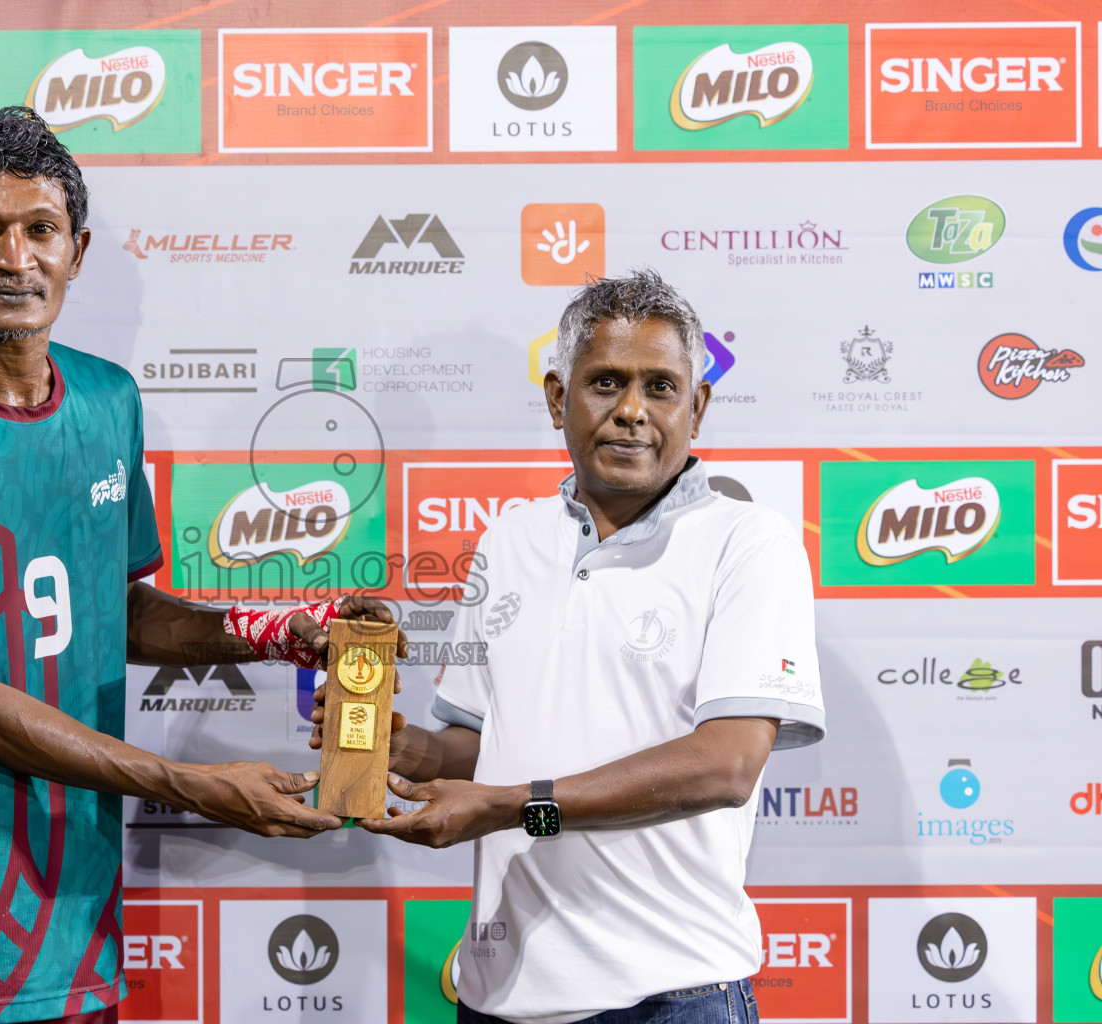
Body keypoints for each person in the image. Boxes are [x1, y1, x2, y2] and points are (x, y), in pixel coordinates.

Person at [0, 107, 396, 1024]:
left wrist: (276, 631)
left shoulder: (108, 398)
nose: (16, 259)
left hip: (74, 915)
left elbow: (117, 613)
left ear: (76, 250)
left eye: (40, 229)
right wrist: (200, 787)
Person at [312, 270, 825, 1024]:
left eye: (660, 387)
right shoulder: (510, 539)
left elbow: (728, 765)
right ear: (558, 397)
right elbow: (481, 745)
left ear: (699, 405)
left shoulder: (749, 542)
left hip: (672, 998)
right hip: (498, 997)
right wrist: (402, 748)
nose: (631, 412)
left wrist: (513, 808)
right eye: (606, 382)